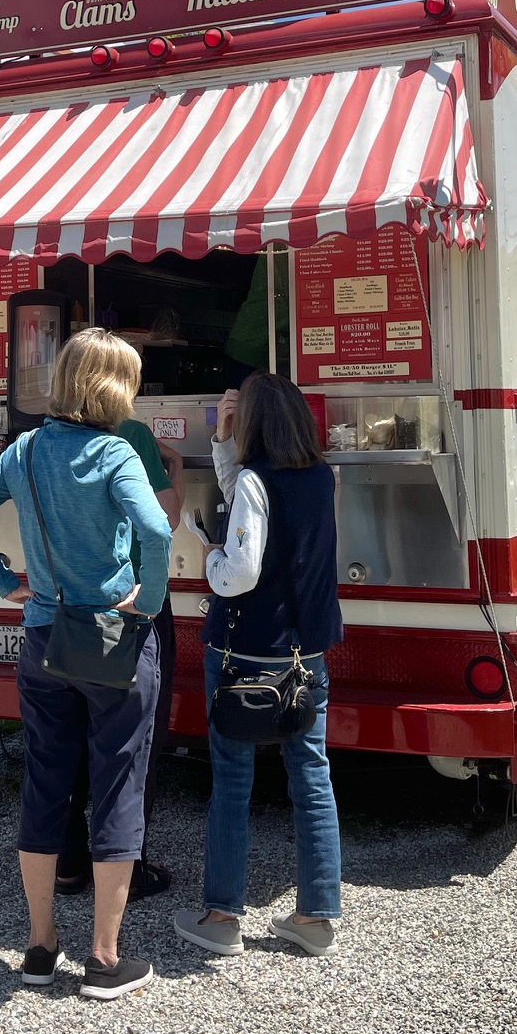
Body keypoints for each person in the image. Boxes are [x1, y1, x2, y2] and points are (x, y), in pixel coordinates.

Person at [0, 329, 172, 1001]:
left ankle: (40, 945)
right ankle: (104, 957)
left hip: (43, 634)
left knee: (46, 784)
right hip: (110, 636)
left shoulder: (25, 449)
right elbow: (156, 530)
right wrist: (150, 599)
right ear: (113, 387)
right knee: (118, 785)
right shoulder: (114, 450)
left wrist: (2, 578)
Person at [174, 371, 344, 959]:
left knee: (232, 782)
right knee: (312, 778)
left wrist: (212, 556)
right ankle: (317, 917)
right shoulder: (323, 477)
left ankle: (222, 916)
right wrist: (224, 444)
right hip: (306, 651)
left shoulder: (254, 481)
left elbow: (242, 567)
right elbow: (255, 506)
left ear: (254, 425)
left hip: (245, 652)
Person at [57, 414, 183, 900]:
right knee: (130, 747)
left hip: (65, 607)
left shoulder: (42, 442)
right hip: (127, 604)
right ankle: (127, 870)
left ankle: (67, 864)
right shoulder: (130, 433)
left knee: (66, 739)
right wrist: (175, 467)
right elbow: (165, 518)